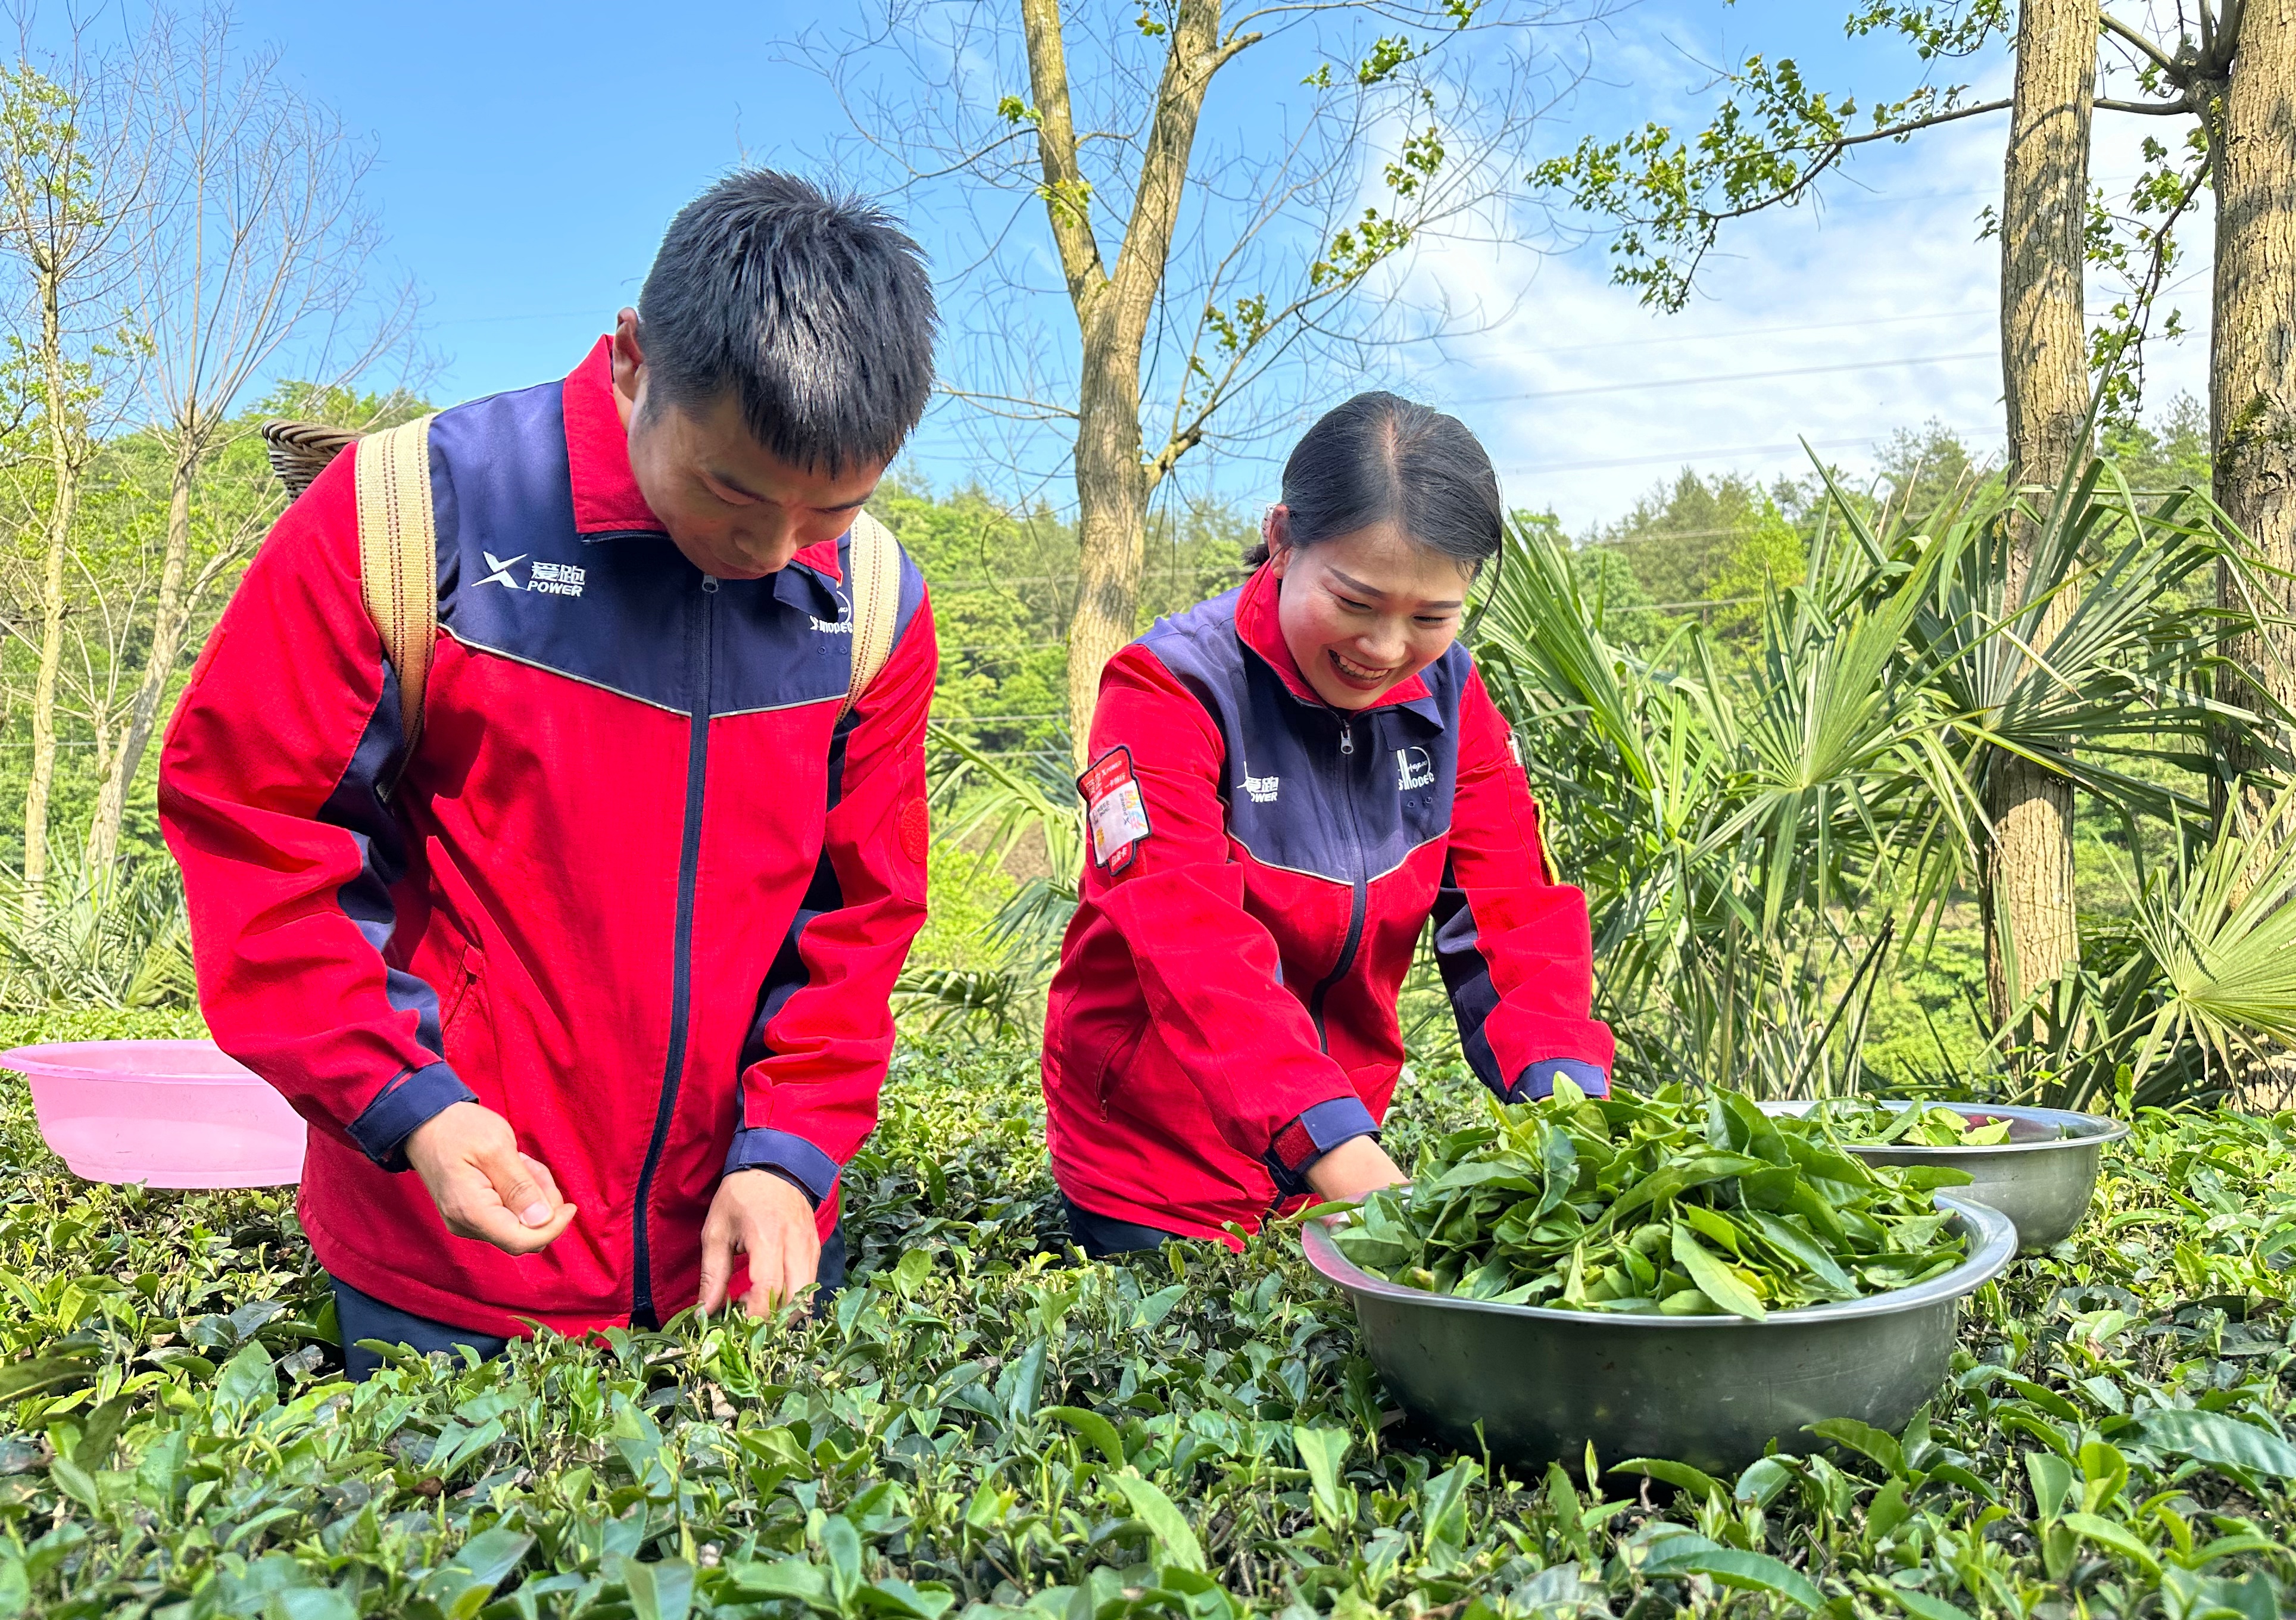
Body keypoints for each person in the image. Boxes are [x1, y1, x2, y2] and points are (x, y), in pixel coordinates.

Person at [160, 172, 940, 1376]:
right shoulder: (406, 517)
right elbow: (257, 827)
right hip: (450, 1245)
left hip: (743, 1246)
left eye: (830, 510)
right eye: (731, 491)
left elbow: (859, 918)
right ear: (635, 360)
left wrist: (790, 1155)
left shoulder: (875, 604)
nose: (772, 549)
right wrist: (407, 1101)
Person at [1043, 391, 1615, 1250]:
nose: (1385, 650)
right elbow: (1192, 951)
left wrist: (1570, 1116)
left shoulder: (1453, 699)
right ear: (1281, 539)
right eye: (1355, 603)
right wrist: (1348, 1162)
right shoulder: (1171, 690)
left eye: (1431, 618)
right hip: (1160, 1169)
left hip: (1344, 1147)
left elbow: (1514, 917)